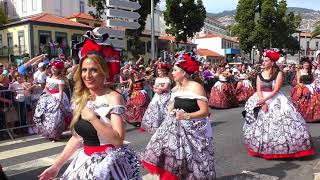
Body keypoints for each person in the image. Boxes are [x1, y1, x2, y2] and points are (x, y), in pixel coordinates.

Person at [38, 30, 140, 179]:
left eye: (94, 70)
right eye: (84, 70)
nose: (87, 75)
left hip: (107, 166)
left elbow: (118, 140)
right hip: (84, 162)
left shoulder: (114, 98)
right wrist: (56, 166)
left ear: (104, 72)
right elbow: (77, 138)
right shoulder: (82, 98)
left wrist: (93, 118)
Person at [142, 51, 215, 179]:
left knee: (195, 162)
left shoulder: (196, 87)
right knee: (172, 158)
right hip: (175, 131)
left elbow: (204, 112)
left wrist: (186, 116)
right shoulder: (176, 89)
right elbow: (172, 105)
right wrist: (170, 110)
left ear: (184, 72)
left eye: (175, 70)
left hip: (194, 132)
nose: (172, 73)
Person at [243, 49, 315, 159]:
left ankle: (282, 148)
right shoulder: (259, 74)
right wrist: (262, 102)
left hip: (274, 98)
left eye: (266, 61)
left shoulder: (279, 73)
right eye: (264, 60)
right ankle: (263, 146)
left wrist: (265, 101)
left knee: (282, 124)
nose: (264, 62)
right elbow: (258, 89)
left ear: (272, 62)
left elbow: (276, 90)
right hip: (261, 98)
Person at [33, 59, 70, 141]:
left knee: (56, 117)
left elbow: (60, 91)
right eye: (52, 67)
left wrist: (60, 102)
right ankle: (50, 133)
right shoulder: (49, 77)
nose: (53, 69)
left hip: (57, 97)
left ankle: (56, 134)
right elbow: (46, 88)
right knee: (47, 116)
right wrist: (42, 97)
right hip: (48, 98)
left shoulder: (60, 79)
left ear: (59, 69)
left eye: (55, 68)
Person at [141, 63, 171, 133]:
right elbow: (154, 89)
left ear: (164, 71)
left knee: (163, 110)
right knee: (154, 109)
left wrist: (157, 88)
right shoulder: (157, 79)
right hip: (157, 96)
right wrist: (153, 87)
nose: (159, 72)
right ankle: (155, 125)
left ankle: (165, 125)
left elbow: (165, 88)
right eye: (158, 70)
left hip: (165, 96)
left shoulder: (167, 79)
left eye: (160, 71)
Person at [291, 57, 320, 122]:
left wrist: (313, 85)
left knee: (316, 100)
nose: (306, 64)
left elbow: (313, 80)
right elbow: (298, 81)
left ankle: (313, 116)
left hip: (311, 86)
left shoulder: (312, 71)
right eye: (305, 63)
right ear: (302, 64)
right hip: (302, 86)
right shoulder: (299, 71)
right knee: (303, 100)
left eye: (307, 63)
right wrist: (304, 87)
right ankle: (302, 116)